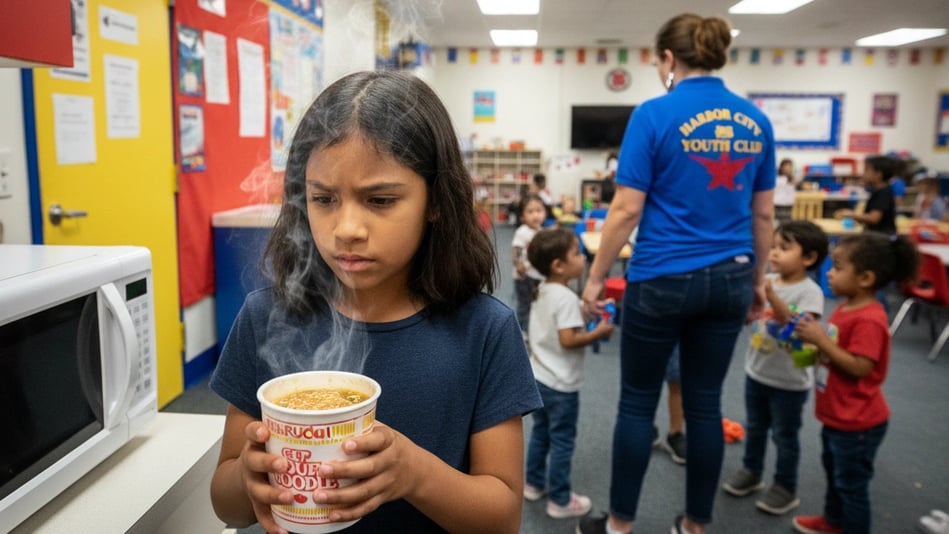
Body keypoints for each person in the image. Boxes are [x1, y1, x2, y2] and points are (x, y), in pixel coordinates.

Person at [207, 71, 542, 534]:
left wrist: (414, 473)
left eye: (380, 200)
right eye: (323, 198)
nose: (347, 229)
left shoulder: (484, 331)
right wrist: (249, 476)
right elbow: (227, 507)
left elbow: (502, 520)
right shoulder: (266, 317)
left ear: (435, 201)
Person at [578, 13, 776, 534]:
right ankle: (694, 526)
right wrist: (758, 281)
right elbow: (763, 216)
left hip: (662, 275)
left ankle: (619, 525)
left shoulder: (653, 114)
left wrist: (596, 279)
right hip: (731, 277)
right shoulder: (756, 120)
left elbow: (626, 209)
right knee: (705, 405)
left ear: (669, 58)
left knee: (637, 403)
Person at [791, 232, 918, 534]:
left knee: (851, 486)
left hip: (858, 422)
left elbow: (860, 367)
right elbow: (839, 349)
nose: (829, 273)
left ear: (865, 278)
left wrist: (822, 341)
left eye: (837, 267)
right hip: (838, 414)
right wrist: (815, 346)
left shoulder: (869, 319)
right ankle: (833, 522)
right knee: (835, 472)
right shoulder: (847, 306)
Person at [722, 220, 829, 516]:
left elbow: (800, 328)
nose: (774, 253)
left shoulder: (810, 292)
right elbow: (754, 313)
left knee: (785, 436)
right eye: (772, 247)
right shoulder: (769, 281)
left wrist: (770, 296)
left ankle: (785, 486)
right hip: (757, 372)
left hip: (790, 382)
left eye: (784, 248)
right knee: (755, 428)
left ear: (809, 258)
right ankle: (752, 471)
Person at [523, 227, 615, 519]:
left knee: (541, 434)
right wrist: (599, 333)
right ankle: (560, 500)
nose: (583, 257)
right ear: (558, 265)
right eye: (577, 253)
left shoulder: (545, 289)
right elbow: (568, 339)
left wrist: (587, 310)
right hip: (561, 385)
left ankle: (533, 483)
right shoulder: (564, 297)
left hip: (539, 378)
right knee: (562, 440)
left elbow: (562, 321)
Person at [512, 193, 548, 338]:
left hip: (539, 275)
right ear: (522, 217)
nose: (536, 215)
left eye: (539, 210)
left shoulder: (542, 232)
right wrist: (518, 265)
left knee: (538, 303)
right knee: (524, 304)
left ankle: (534, 328)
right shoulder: (522, 232)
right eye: (530, 211)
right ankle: (522, 331)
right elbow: (516, 250)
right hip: (524, 277)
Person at [835, 155, 897, 235]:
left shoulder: (884, 193)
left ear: (878, 175)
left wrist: (851, 214)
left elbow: (874, 218)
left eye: (866, 170)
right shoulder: (877, 191)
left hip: (881, 238)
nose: (863, 174)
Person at [774, 158, 797, 223]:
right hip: (778, 205)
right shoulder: (777, 179)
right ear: (781, 167)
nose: (788, 168)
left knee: (787, 223)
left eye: (790, 166)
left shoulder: (792, 179)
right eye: (786, 166)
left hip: (788, 205)